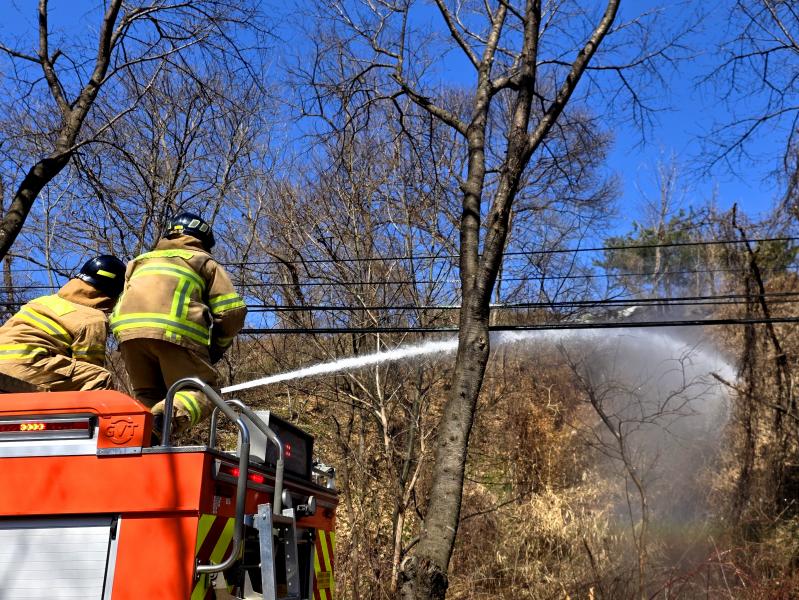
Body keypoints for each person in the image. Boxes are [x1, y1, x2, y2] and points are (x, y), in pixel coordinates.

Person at [110, 212, 247, 436]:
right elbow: (232, 312)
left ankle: (142, 440)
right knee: (202, 392)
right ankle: (166, 417)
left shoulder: (138, 262)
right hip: (176, 335)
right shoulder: (203, 261)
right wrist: (218, 346)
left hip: (128, 337)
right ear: (203, 240)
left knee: (148, 395)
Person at [0, 255, 126, 391]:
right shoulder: (93, 319)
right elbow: (89, 364)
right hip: (26, 365)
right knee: (98, 377)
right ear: (114, 292)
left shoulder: (42, 301)